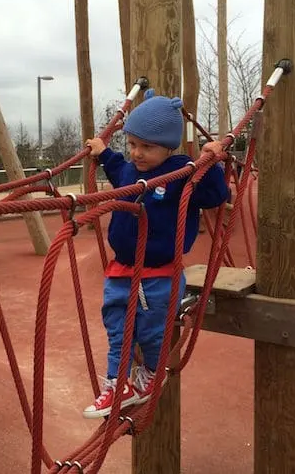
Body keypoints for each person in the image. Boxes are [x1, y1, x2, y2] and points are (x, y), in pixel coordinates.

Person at [82, 90, 229, 419]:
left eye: (147, 147)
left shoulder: (181, 173)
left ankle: (149, 375)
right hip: (122, 270)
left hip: (160, 274)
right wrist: (104, 152)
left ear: (168, 146)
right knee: (118, 328)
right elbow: (117, 166)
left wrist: (211, 162)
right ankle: (117, 385)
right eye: (133, 144)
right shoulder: (129, 170)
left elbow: (215, 195)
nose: (137, 153)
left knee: (151, 333)